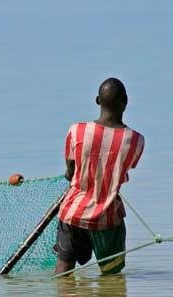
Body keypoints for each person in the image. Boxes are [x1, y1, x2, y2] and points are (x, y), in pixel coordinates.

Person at [54, 78, 144, 275]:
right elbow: (124, 168)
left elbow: (71, 173)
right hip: (107, 218)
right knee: (111, 278)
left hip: (73, 214)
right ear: (126, 101)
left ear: (97, 100)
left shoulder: (76, 131)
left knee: (63, 271)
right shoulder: (136, 140)